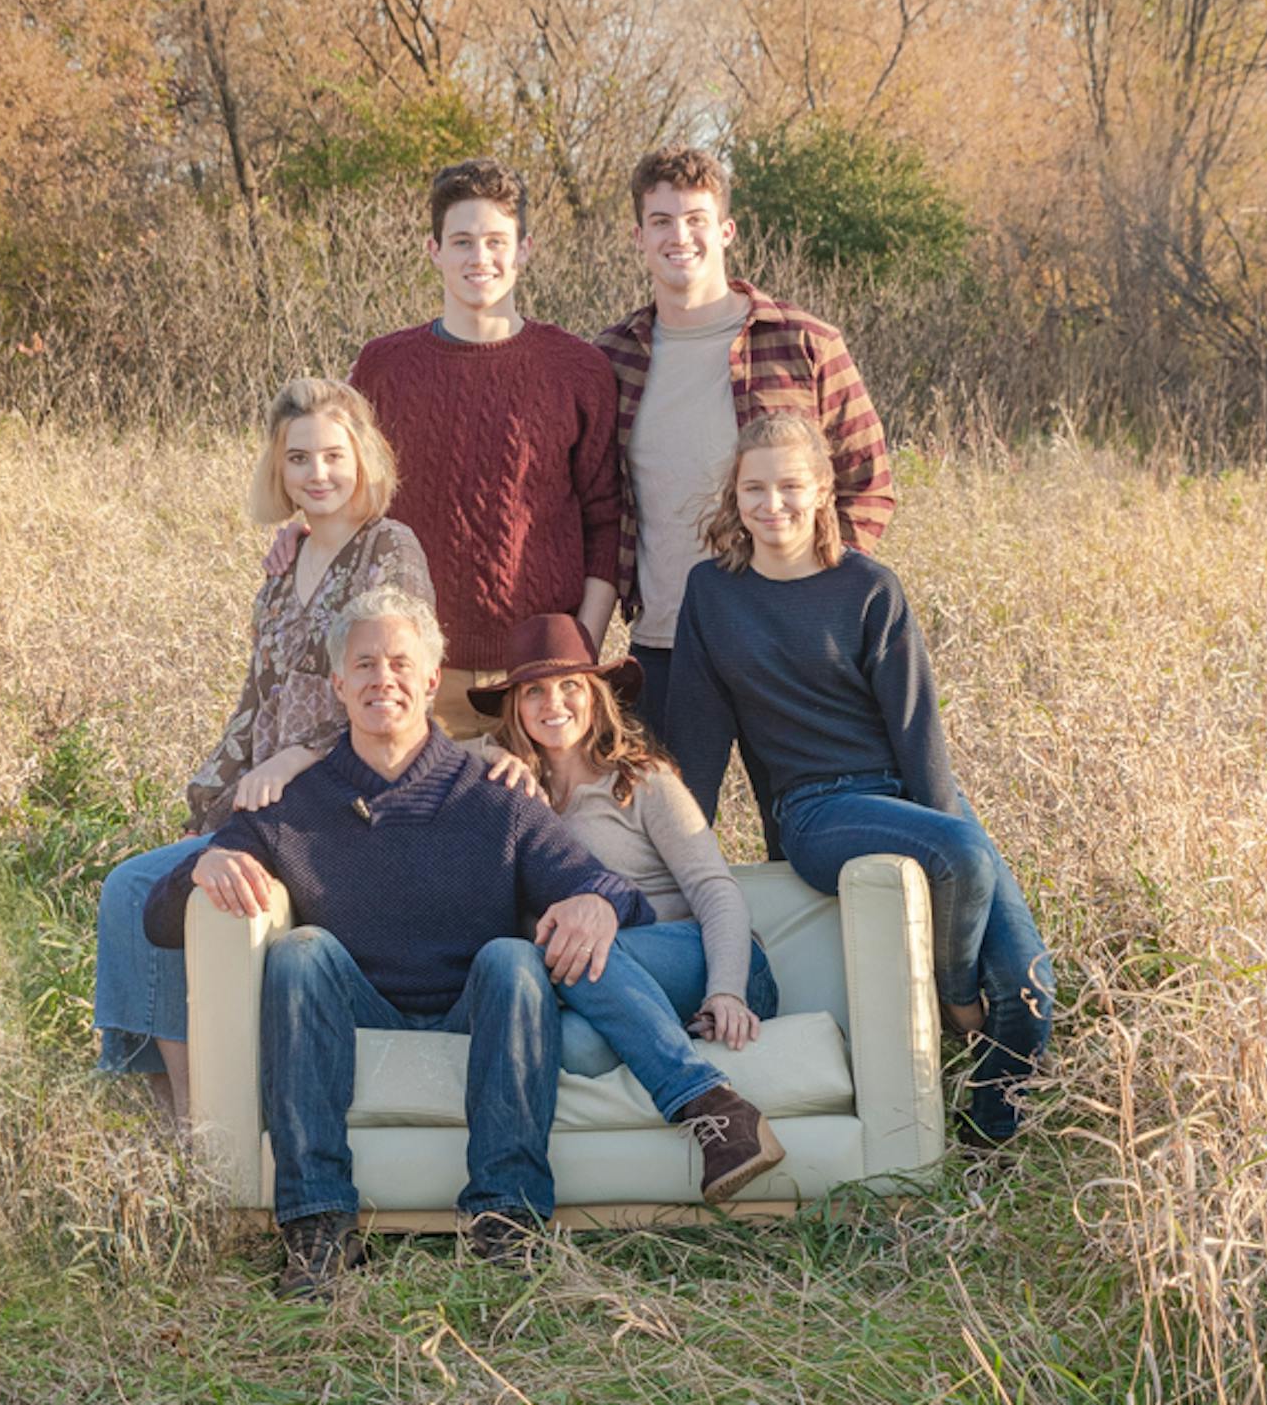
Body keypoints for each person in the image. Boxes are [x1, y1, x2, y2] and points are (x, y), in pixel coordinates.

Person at [141, 590, 782, 1299]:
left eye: (399, 663)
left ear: (428, 680)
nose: (383, 677)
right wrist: (199, 867)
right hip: (360, 1003)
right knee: (300, 952)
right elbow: (159, 917)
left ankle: (506, 1216)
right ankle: (318, 1225)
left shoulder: (496, 792)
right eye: (364, 664)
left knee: (513, 957)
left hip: (474, 1007)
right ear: (339, 686)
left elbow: (613, 891)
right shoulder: (294, 804)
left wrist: (596, 904)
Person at [668, 411, 1054, 1146]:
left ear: (821, 492)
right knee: (964, 861)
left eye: (788, 486)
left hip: (911, 795)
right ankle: (957, 1001)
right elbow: (698, 742)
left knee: (1032, 982)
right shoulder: (714, 595)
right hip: (815, 810)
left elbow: (918, 729)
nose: (771, 504)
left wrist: (946, 823)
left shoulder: (870, 587)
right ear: (735, 496)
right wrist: (684, 864)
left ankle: (991, 1138)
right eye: (754, 487)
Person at [91, 377, 431, 1123]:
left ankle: (196, 1123)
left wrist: (299, 757)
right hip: (266, 798)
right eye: (298, 458)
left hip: (343, 797)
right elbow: (255, 701)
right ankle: (180, 1117)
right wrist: (208, 804)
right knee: (140, 890)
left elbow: (392, 688)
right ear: (277, 469)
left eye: (333, 455)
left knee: (132, 889)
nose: (318, 474)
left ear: (363, 456)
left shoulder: (389, 550)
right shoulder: (282, 569)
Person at [593, 144, 897, 849]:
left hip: (784, 644)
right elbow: (586, 502)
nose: (679, 236)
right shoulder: (610, 359)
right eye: (660, 221)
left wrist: (811, 596)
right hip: (666, 641)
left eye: (696, 218)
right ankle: (706, 962)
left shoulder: (805, 342)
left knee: (810, 836)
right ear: (638, 236)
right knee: (664, 845)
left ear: (726, 230)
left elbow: (867, 482)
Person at [341, 157, 623, 737]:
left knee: (541, 827)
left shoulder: (578, 370)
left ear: (524, 250)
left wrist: (581, 651)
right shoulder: (383, 367)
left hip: (540, 679)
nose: (480, 258)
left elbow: (606, 522)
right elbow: (347, 502)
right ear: (433, 250)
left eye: (497, 241)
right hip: (415, 671)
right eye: (462, 241)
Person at [471, 613, 782, 1078]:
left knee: (565, 947)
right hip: (601, 984)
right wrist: (487, 751)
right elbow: (428, 756)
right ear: (515, 705)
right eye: (534, 690)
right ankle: (665, 1031)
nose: (553, 702)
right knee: (577, 1050)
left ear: (594, 695)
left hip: (704, 963)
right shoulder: (515, 798)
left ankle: (699, 1087)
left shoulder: (641, 781)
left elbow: (716, 889)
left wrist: (727, 991)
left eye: (569, 685)